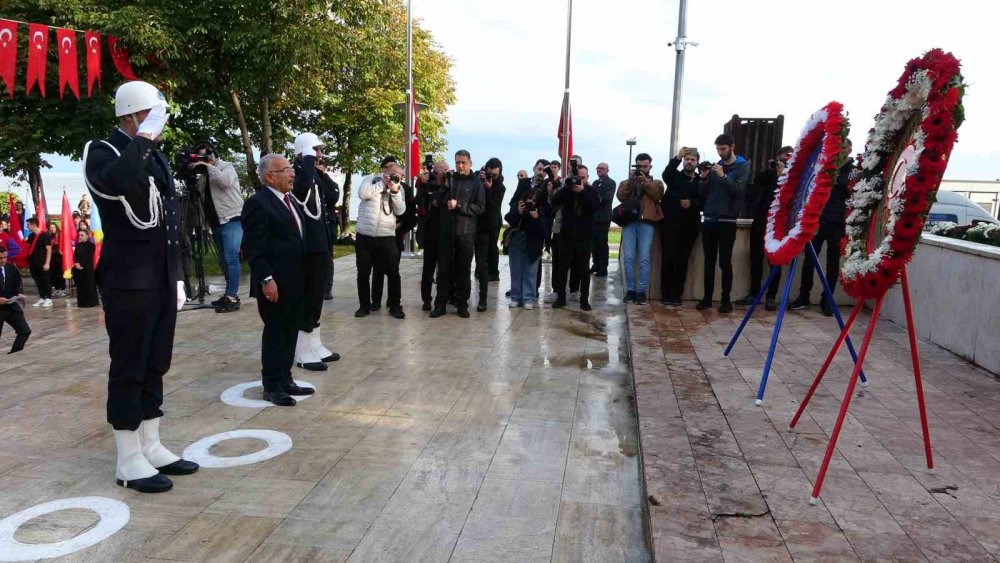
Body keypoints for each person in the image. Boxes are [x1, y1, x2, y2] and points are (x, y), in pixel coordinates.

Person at [84, 80, 198, 493]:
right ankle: (128, 456)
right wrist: (144, 136)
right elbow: (116, 182)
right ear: (132, 114)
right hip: (128, 281)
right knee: (129, 365)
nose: (159, 126)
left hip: (161, 279)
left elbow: (170, 221)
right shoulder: (103, 151)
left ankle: (151, 444)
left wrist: (178, 274)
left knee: (156, 362)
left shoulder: (154, 156)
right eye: (151, 116)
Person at [242, 153, 314, 407]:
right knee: (275, 334)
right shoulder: (257, 203)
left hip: (295, 280)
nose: (292, 173)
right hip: (275, 282)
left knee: (290, 330)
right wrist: (266, 279)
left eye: (291, 169)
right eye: (286, 170)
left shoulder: (289, 200)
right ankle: (272, 385)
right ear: (270, 176)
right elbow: (254, 247)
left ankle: (285, 379)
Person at [291, 132, 340, 370]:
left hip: (321, 243)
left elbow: (331, 197)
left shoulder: (314, 175)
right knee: (307, 298)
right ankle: (302, 351)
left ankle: (315, 343)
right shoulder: (297, 173)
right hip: (307, 246)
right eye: (316, 150)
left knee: (318, 296)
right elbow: (300, 191)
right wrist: (308, 160)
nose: (320, 154)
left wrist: (323, 173)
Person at [790, 140, 853, 316]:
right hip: (819, 220)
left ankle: (827, 299)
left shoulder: (852, 171)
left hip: (837, 222)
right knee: (809, 259)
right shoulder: (826, 165)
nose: (840, 150)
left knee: (832, 263)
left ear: (849, 150)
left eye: (844, 148)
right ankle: (804, 296)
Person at [188, 142, 244, 314]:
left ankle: (232, 296)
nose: (203, 161)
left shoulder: (226, 167)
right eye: (200, 158)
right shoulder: (203, 176)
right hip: (216, 223)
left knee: (231, 257)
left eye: (206, 157)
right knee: (224, 260)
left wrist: (209, 167)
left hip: (232, 218)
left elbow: (225, 182)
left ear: (213, 155)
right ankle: (229, 294)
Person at [697, 133, 750, 313]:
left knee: (724, 262)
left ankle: (725, 300)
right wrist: (704, 178)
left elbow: (738, 191)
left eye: (723, 149)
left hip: (727, 221)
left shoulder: (743, 166)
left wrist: (723, 176)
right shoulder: (715, 167)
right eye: (718, 149)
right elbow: (704, 195)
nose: (720, 153)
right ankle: (706, 298)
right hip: (710, 219)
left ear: (732, 147)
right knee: (709, 261)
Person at [736, 146, 793, 310]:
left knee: (775, 261)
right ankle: (754, 293)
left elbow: (785, 196)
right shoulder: (766, 174)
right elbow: (755, 188)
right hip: (760, 220)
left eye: (787, 157)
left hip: (777, 225)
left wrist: (781, 176)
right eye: (782, 157)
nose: (783, 160)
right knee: (755, 258)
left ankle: (771, 296)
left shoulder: (791, 176)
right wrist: (772, 172)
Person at [431, 150, 485, 319]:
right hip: (447, 233)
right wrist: (444, 188)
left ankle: (462, 304)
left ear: (470, 163)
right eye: (457, 163)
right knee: (444, 271)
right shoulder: (450, 180)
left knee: (463, 271)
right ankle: (440, 304)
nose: (460, 166)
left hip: (466, 233)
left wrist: (460, 206)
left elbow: (480, 208)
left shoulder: (476, 184)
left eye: (463, 162)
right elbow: (437, 202)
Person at [354, 156, 407, 319]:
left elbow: (400, 211)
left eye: (399, 175)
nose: (394, 177)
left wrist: (395, 191)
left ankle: (395, 306)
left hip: (386, 236)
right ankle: (364, 306)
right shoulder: (370, 179)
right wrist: (382, 184)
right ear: (385, 171)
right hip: (365, 234)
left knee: (393, 273)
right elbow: (363, 193)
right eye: (392, 172)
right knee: (363, 273)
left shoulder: (399, 188)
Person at [616, 153, 665, 304]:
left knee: (644, 258)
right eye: (639, 166)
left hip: (646, 222)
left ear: (650, 166)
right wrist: (632, 181)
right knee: (629, 258)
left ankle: (641, 292)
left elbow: (657, 196)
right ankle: (631, 290)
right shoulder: (627, 182)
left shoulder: (656, 182)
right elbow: (620, 196)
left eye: (645, 166)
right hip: (629, 222)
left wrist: (644, 182)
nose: (642, 169)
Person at [552, 163, 600, 311]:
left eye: (583, 178)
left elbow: (594, 207)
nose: (579, 180)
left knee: (584, 270)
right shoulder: (568, 191)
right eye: (577, 177)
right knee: (562, 268)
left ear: (587, 178)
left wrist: (582, 191)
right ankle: (561, 297)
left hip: (584, 236)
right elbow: (554, 201)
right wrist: (567, 186)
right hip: (567, 235)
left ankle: (584, 300)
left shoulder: (591, 190)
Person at [371, 157, 415, 314]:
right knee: (377, 269)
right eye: (387, 168)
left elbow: (410, 214)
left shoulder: (405, 189)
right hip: (377, 234)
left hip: (394, 235)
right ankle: (375, 301)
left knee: (393, 270)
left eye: (394, 168)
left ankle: (394, 302)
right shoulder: (375, 184)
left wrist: (400, 227)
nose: (390, 171)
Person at [659, 147, 702, 306]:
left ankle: (676, 294)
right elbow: (667, 173)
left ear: (696, 162)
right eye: (687, 159)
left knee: (682, 261)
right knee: (667, 258)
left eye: (692, 159)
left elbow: (703, 199)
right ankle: (665, 294)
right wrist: (677, 157)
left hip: (689, 227)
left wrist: (692, 202)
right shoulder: (675, 177)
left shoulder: (700, 180)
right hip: (670, 225)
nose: (689, 162)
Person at [506, 160, 550, 309]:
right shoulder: (523, 183)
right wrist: (518, 209)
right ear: (534, 169)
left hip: (534, 234)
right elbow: (512, 203)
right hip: (518, 230)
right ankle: (516, 297)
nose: (541, 172)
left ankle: (529, 298)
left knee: (531, 269)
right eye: (539, 169)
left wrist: (538, 215)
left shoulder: (546, 188)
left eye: (544, 171)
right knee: (516, 268)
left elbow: (549, 212)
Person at [416, 160, 449, 310]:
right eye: (440, 170)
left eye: (446, 170)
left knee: (444, 270)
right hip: (430, 232)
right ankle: (426, 300)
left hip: (446, 233)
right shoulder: (428, 184)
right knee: (428, 270)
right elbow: (418, 201)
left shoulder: (450, 184)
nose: (443, 173)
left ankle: (442, 300)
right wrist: (422, 184)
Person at [474, 157, 506, 310]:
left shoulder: (501, 187)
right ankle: (481, 273)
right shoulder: (478, 178)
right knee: (478, 257)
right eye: (489, 174)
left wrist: (488, 187)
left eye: (494, 175)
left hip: (492, 223)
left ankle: (492, 274)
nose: (491, 177)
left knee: (490, 251)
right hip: (476, 223)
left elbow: (494, 206)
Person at [0, 244, 31, 353]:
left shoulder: (11, 269)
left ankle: (15, 352)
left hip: (10, 305)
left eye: (5, 257)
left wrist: (19, 295)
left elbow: (16, 285)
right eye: (1, 258)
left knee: (25, 330)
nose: (3, 260)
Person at [590, 162, 616, 277]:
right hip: (593, 217)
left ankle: (603, 267)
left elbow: (606, 198)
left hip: (603, 218)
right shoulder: (595, 183)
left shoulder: (610, 183)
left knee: (602, 243)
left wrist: (596, 198)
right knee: (593, 243)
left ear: (607, 170)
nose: (599, 170)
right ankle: (595, 264)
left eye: (602, 168)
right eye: (598, 168)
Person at [25, 218, 53, 307]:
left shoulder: (45, 235)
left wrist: (47, 263)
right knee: (37, 280)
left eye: (28, 225)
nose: (27, 227)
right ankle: (42, 297)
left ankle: (49, 299)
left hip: (43, 262)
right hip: (33, 263)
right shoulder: (30, 236)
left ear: (34, 225)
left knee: (45, 280)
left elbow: (49, 249)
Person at [73, 227, 99, 307]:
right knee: (81, 286)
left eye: (82, 235)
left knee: (89, 285)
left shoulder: (91, 245)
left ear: (87, 236)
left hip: (88, 268)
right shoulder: (78, 245)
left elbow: (89, 257)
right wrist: (76, 263)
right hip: (78, 269)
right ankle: (82, 302)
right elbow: (75, 256)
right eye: (79, 235)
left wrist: (81, 264)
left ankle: (90, 302)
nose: (80, 236)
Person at [48, 222, 66, 297]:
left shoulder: (60, 236)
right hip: (51, 258)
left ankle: (62, 289)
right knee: (53, 274)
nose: (52, 229)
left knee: (60, 274)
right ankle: (56, 288)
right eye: (51, 227)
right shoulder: (48, 236)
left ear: (56, 228)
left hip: (59, 258)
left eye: (54, 227)